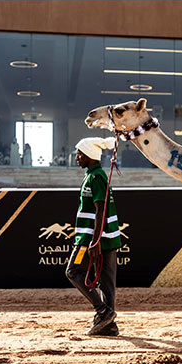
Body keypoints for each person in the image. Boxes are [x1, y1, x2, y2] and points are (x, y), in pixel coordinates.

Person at [66, 137, 122, 336]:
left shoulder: (96, 177)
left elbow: (101, 210)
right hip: (107, 237)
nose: (76, 158)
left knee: (73, 271)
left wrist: (95, 240)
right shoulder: (94, 175)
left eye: (79, 154)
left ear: (89, 155)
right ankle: (109, 325)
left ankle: (103, 311)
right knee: (106, 282)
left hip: (92, 238)